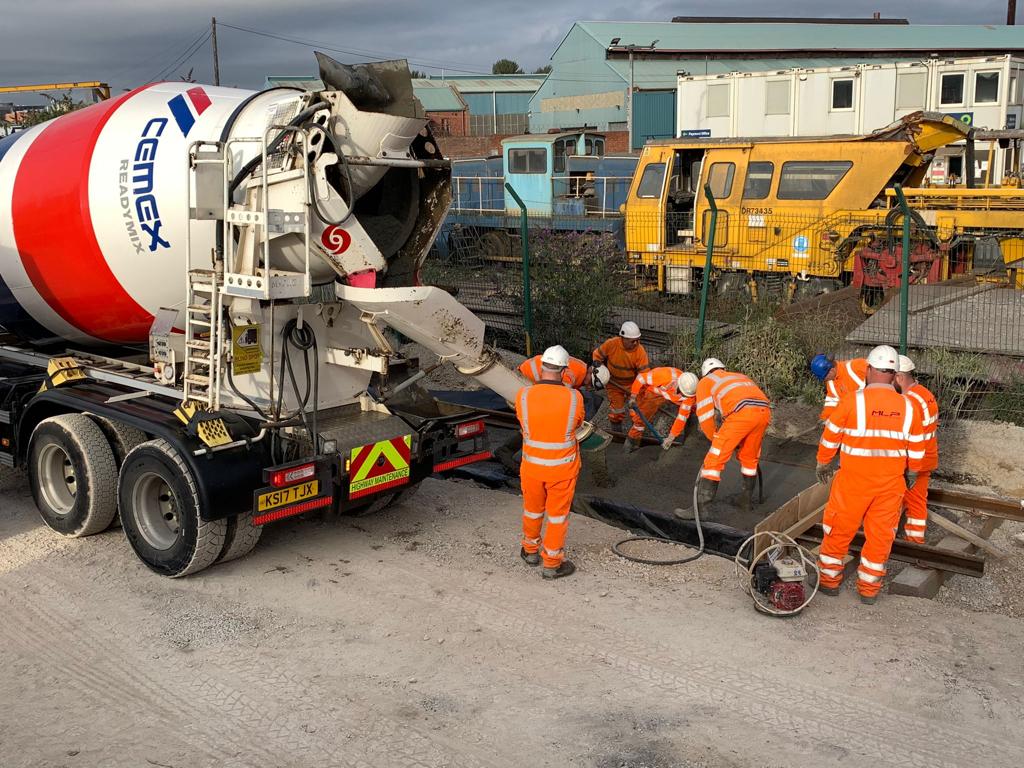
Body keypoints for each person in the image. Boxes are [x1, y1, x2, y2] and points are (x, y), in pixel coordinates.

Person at [814, 344, 926, 605]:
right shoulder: (909, 407)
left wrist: (823, 463)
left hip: (854, 481)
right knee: (880, 537)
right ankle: (869, 589)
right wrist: (913, 471)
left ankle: (830, 582)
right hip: (890, 485)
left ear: (870, 370)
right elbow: (918, 446)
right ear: (894, 374)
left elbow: (830, 437)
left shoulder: (853, 400)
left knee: (839, 529)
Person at [514, 347, 586, 580]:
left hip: (532, 468)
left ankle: (530, 551)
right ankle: (552, 564)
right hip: (562, 469)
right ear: (564, 371)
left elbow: (523, 425)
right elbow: (577, 424)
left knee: (533, 511)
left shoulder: (523, 395)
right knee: (556, 516)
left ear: (542, 367)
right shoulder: (575, 398)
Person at [693, 359, 772, 512]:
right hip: (764, 413)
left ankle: (701, 508)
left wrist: (715, 439)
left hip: (741, 414)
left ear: (705, 373)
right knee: (750, 457)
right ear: (723, 368)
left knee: (714, 459)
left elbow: (705, 416)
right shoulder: (740, 376)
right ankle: (745, 501)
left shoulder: (705, 381)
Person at [895, 354, 939, 544]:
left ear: (899, 377)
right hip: (926, 457)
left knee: (908, 499)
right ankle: (914, 538)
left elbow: (903, 436)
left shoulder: (909, 401)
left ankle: (913, 542)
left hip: (913, 460)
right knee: (916, 499)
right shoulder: (924, 393)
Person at [623, 367, 699, 454]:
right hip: (653, 391)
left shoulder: (689, 396)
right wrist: (633, 396)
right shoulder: (663, 376)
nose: (684, 397)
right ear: (678, 385)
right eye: (682, 394)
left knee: (692, 408)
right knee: (640, 418)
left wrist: (671, 438)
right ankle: (632, 442)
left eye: (685, 396)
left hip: (668, 394)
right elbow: (640, 378)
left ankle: (691, 437)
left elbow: (681, 417)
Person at [592, 321, 649, 428]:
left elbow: (644, 375)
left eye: (637, 340)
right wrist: (598, 366)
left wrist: (636, 392)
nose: (636, 343)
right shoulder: (611, 344)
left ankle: (636, 432)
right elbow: (597, 355)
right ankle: (617, 430)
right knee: (617, 410)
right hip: (613, 383)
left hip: (632, 385)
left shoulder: (640, 352)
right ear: (623, 338)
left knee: (636, 410)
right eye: (633, 341)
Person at [810, 354, 868, 422]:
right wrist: (825, 418)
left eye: (824, 377)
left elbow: (878, 371)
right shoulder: (831, 383)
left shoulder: (855, 366)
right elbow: (832, 402)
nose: (825, 380)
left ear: (831, 370)